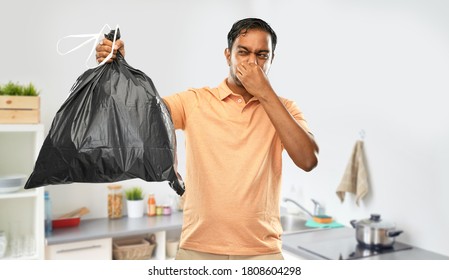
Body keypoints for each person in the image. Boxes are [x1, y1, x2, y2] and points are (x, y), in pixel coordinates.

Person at [96, 18, 319, 260]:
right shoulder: (195, 101)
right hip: (197, 249)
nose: (252, 62)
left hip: (262, 253)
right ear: (227, 55)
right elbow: (138, 117)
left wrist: (265, 93)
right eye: (243, 52)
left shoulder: (284, 108)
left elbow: (308, 160)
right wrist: (115, 71)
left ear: (272, 60)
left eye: (262, 55)